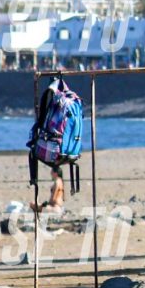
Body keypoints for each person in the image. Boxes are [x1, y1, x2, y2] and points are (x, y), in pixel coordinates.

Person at [28, 78, 84, 211]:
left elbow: (53, 201)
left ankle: (33, 181)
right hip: (72, 152)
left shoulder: (59, 100)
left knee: (32, 152)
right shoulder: (74, 101)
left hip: (56, 151)